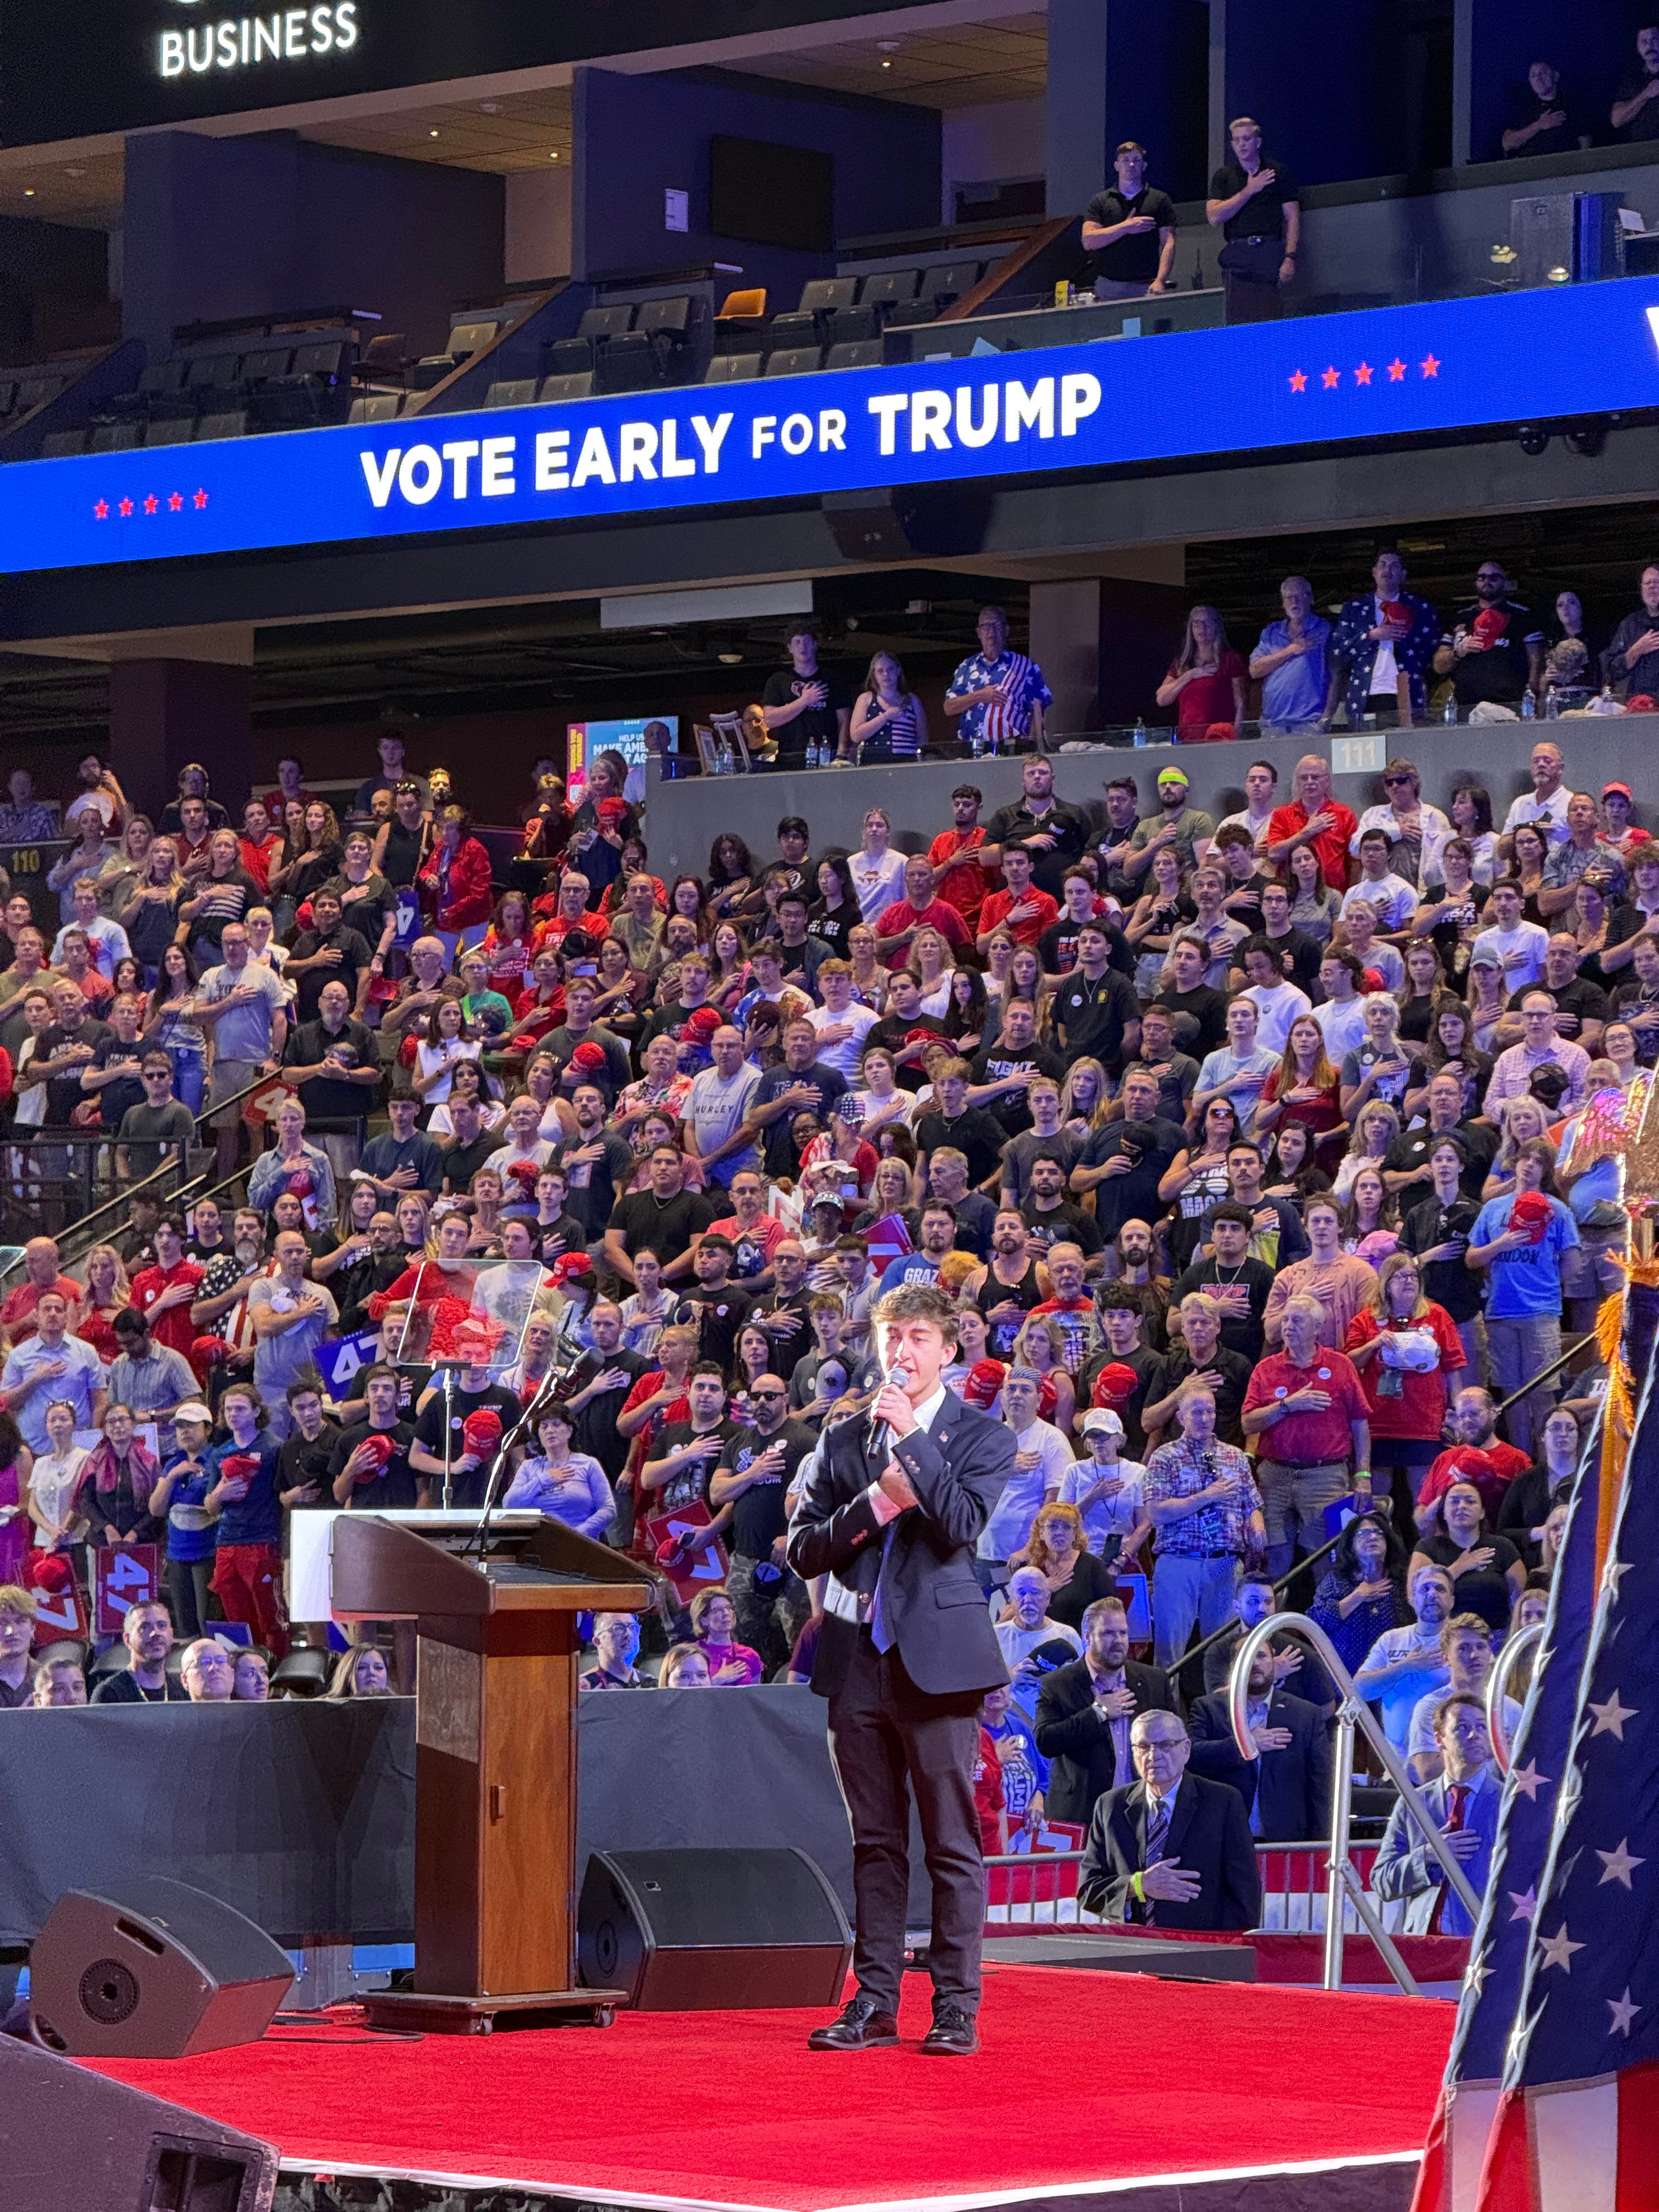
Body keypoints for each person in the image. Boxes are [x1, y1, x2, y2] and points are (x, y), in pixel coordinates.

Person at [788, 1284, 1015, 2056]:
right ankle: (875, 2000)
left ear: (948, 1350)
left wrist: (913, 1439)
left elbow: (958, 1525)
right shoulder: (844, 1439)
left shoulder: (984, 1437)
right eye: (891, 1336)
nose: (901, 1351)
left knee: (953, 1843)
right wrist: (874, 1510)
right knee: (875, 1841)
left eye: (918, 1336)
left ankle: (956, 2008)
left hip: (939, 1667)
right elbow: (803, 1549)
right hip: (856, 1663)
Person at [1078, 1708, 1262, 1927]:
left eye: (1165, 1745)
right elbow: (1089, 1891)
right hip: (1133, 1946)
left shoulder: (1223, 1802)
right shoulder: (1110, 1806)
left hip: (1199, 1946)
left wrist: (1227, 1951)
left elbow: (1245, 1890)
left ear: (1186, 1750)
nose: (1153, 1756)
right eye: (1143, 1747)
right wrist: (1139, 1884)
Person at [1242, 1291, 1371, 1579]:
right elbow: (1248, 1424)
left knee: (1326, 1558)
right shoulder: (1266, 1369)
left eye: (1297, 1320)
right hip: (1274, 1476)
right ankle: (1275, 1623)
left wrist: (1363, 1476)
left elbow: (1360, 1423)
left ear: (1317, 1328)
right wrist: (1286, 1406)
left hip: (1325, 1476)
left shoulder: (1341, 1366)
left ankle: (1322, 1622)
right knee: (1273, 1558)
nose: (1288, 1326)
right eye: (1285, 1319)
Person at [1141, 1383, 1265, 1672]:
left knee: (1223, 1654)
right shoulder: (1165, 1457)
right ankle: (1167, 1712)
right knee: (1170, 1654)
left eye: (1210, 1411)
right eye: (1197, 1412)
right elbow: (1156, 1512)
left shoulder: (1234, 1457)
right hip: (1179, 1562)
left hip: (1226, 1563)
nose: (1206, 1418)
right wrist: (1206, 1497)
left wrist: (1257, 1532)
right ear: (1181, 1417)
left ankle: (1219, 1713)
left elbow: (1252, 1505)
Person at [1466, 1139, 1578, 1455]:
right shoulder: (1493, 1208)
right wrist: (1499, 1246)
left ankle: (1548, 1463)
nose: (1529, 1165)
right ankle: (1520, 1461)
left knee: (1543, 1392)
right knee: (1512, 1394)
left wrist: (1548, 1285)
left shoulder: (1557, 1210)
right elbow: (1472, 1258)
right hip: (1501, 1311)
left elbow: (1572, 1261)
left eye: (1538, 1161)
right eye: (1525, 1158)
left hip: (1541, 1312)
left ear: (1544, 1170)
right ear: (1514, 1163)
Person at [1033, 1595, 1176, 1827]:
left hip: (1143, 1810)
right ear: (1088, 1638)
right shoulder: (1058, 1684)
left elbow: (1176, 1737)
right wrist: (1098, 1713)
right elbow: (1046, 1741)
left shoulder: (1154, 1681)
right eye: (1108, 1633)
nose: (1118, 1641)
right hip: (1083, 1814)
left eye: (1123, 1633)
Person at [1370, 1694, 1497, 1937]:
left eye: (1482, 1727)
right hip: (1423, 1944)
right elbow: (1382, 1880)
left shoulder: (1509, 1802)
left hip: (1481, 1942)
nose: (1474, 1734)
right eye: (1463, 1727)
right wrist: (1427, 1855)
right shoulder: (1413, 1803)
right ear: (1440, 1740)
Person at [1187, 1644, 1332, 1842]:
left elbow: (1321, 1784)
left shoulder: (1306, 1714)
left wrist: (1320, 1845)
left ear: (1274, 1661)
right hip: (1221, 1838)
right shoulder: (1208, 1707)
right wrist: (1246, 1743)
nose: (1254, 1663)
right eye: (1247, 1657)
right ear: (1233, 1666)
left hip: (1286, 1841)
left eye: (1261, 1656)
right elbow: (1190, 1756)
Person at [1324, 552, 1438, 731]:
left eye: (1394, 566)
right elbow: (1337, 654)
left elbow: (1431, 654)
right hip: (1363, 695)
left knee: (1407, 752)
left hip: (1407, 694)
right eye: (1383, 565)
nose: (1388, 570)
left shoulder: (1419, 608)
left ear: (1403, 573)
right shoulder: (1355, 608)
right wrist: (1372, 635)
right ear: (1374, 571)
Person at [1205, 115, 1299, 323]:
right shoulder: (1224, 176)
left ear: (1258, 142)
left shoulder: (1277, 172)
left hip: (1269, 251)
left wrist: (1290, 257)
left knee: (1269, 315)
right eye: (1237, 140)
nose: (1242, 145)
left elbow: (1292, 218)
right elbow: (1214, 217)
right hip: (1237, 254)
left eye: (1246, 139)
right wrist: (1249, 190)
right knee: (1236, 317)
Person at [1408, 1477, 1526, 1638]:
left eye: (1470, 1502)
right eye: (1454, 1502)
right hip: (1444, 1638)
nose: (1462, 1506)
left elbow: (1520, 1598)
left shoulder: (1503, 1546)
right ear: (1443, 1513)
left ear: (1482, 1512)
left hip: (1496, 1637)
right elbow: (1414, 1597)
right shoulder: (1428, 1548)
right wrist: (1459, 1567)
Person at [1308, 1508, 1410, 1676]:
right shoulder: (1337, 1580)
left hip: (1392, 1674)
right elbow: (1315, 1622)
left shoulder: (1400, 1580)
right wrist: (1357, 1597)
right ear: (1351, 1545)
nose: (1372, 1537)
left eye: (1379, 1533)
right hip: (1344, 1677)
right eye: (1363, 1533)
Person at [942, 606, 1052, 755]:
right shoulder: (966, 667)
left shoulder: (1025, 666)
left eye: (997, 626)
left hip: (1010, 749)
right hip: (970, 749)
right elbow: (949, 708)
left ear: (1006, 631)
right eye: (986, 627)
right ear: (979, 632)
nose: (991, 633)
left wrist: (1033, 747)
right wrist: (980, 696)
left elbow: (1039, 709)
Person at [501, 1403, 614, 1538]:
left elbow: (608, 1509)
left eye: (556, 1424)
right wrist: (544, 1480)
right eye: (544, 1426)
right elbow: (509, 1504)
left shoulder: (588, 1464)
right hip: (538, 1541)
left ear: (570, 1430)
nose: (550, 1430)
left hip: (582, 1541)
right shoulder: (528, 1467)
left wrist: (579, 1533)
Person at [1081, 140, 1176, 299]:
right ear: (1116, 166)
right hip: (1108, 286)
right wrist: (1126, 227)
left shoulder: (1159, 199)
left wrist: (1161, 280)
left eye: (1136, 160)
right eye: (1125, 160)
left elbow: (1168, 242)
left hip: (1147, 284)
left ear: (1144, 166)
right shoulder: (1101, 201)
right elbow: (1089, 241)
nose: (1131, 165)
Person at [1249, 576, 1331, 733]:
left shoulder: (1324, 629)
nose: (1294, 602)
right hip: (1273, 722)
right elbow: (1255, 670)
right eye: (1289, 598)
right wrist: (1290, 650)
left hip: (1310, 721)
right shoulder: (1271, 633)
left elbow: (1337, 675)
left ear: (1311, 599)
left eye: (1299, 596)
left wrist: (1326, 717)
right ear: (1283, 603)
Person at [761, 626, 851, 768]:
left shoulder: (833, 679)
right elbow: (771, 720)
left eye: (807, 641)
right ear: (790, 648)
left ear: (815, 645)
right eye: (797, 642)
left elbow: (844, 720)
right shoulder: (778, 680)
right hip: (790, 759)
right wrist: (804, 701)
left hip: (827, 756)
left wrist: (841, 754)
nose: (803, 647)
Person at [1155, 606, 1247, 740]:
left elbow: (1241, 704)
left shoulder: (1229, 660)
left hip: (1219, 737)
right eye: (1197, 623)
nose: (1202, 628)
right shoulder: (1183, 662)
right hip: (1187, 738)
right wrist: (1189, 675)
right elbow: (1162, 699)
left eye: (1207, 623)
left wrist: (1236, 739)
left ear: (1217, 626)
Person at [90, 1596, 189, 1705]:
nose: (155, 1633)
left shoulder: (181, 1693)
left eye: (162, 1625)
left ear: (171, 1635)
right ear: (127, 1639)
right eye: (145, 1627)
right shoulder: (109, 1694)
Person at [1501, 59, 1575, 157]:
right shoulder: (1523, 110)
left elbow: (1585, 141)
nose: (1538, 79)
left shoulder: (1571, 106)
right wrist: (1539, 125)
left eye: (1543, 73)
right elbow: (1508, 144)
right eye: (1533, 76)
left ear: (1556, 76)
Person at [580, 1611, 651, 1690]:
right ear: (598, 1642)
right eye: (618, 1628)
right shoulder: (584, 1687)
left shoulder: (652, 1685)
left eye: (633, 1627)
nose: (629, 1634)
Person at [1611, 23, 1659, 140]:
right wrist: (1645, 95)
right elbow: (1616, 121)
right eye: (1644, 41)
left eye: (1654, 39)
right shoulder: (1632, 80)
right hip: (1643, 152)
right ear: (1638, 47)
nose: (1649, 46)